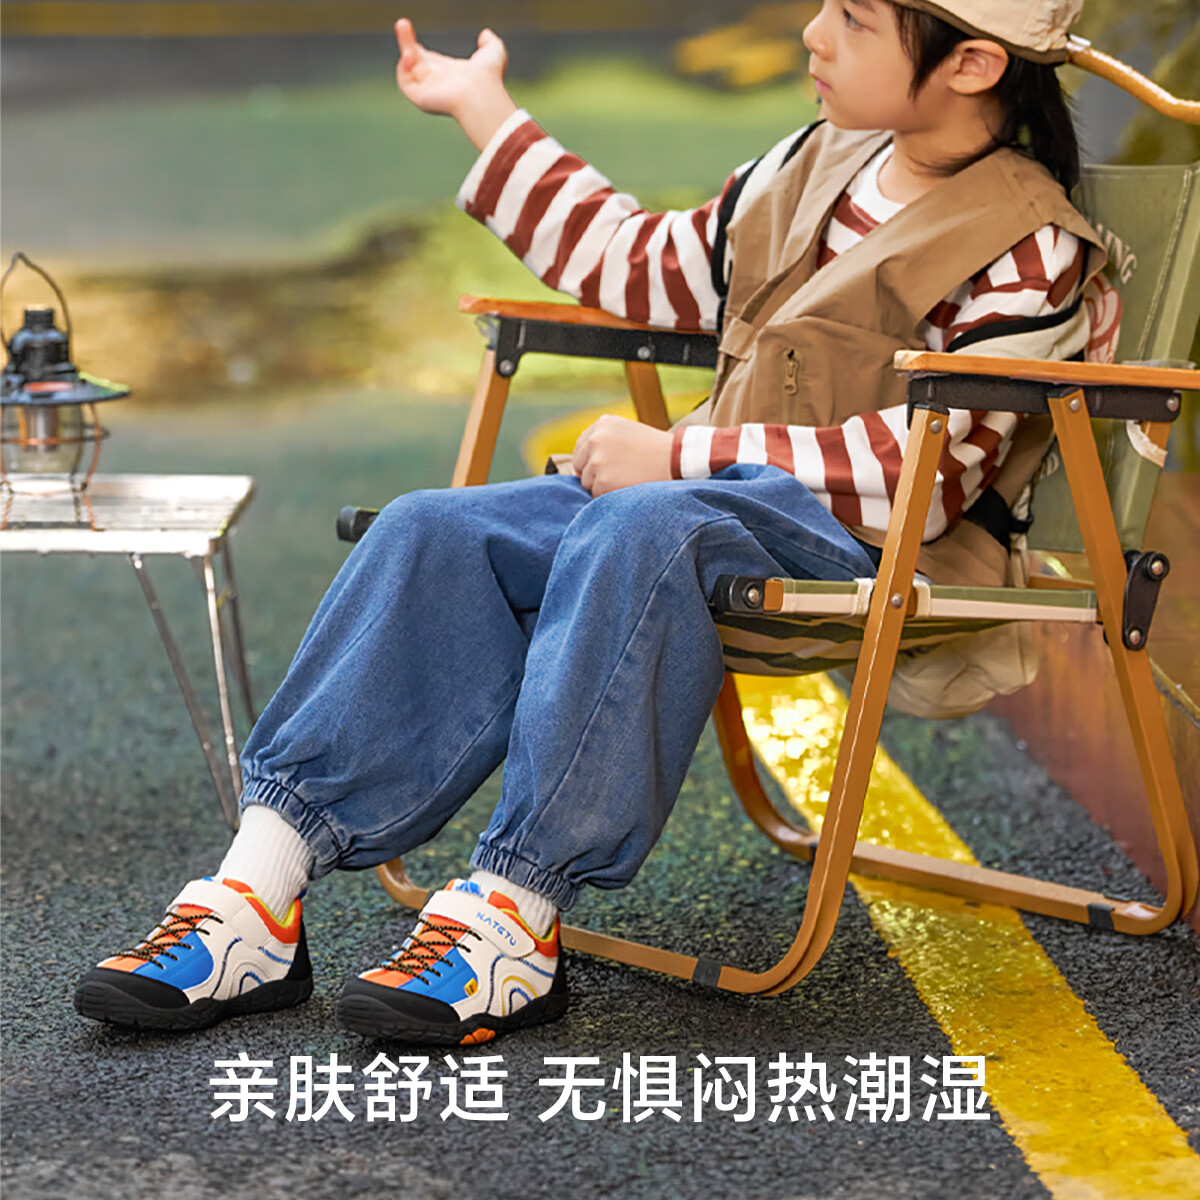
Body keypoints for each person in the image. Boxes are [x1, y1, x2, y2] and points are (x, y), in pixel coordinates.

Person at [75, 0, 1111, 1045]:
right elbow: (639, 262)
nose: (813, 32)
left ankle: (517, 916)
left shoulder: (1026, 246)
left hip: (862, 539)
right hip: (694, 505)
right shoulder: (815, 162)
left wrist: (682, 457)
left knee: (639, 528)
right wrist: (484, 110)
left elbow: (928, 474)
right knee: (435, 529)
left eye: (853, 17)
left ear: (972, 64)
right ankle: (256, 895)